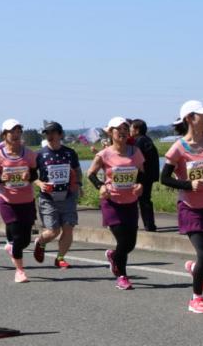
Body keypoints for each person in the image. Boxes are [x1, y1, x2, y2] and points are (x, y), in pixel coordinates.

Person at [161, 100, 203, 313]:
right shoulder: (178, 148)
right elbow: (164, 178)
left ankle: (195, 268)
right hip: (190, 208)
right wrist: (189, 184)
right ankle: (196, 298)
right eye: (201, 115)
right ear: (189, 118)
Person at [88, 116, 145, 290]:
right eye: (118, 130)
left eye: (125, 130)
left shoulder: (135, 152)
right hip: (111, 202)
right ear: (111, 133)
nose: (122, 133)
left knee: (131, 243)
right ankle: (122, 276)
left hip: (130, 202)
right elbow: (91, 173)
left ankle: (114, 257)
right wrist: (100, 186)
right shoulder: (104, 154)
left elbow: (142, 173)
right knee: (123, 241)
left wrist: (140, 184)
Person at [0, 119, 39, 283]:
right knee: (18, 236)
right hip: (7, 200)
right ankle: (20, 271)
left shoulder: (29, 154)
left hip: (27, 200)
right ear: (4, 135)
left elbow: (35, 175)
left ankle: (11, 246)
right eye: (12, 132)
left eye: (19, 131)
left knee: (26, 239)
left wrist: (29, 176)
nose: (16, 135)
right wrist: (0, 178)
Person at [33, 121, 81, 270]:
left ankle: (60, 258)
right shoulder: (40, 154)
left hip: (68, 196)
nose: (50, 136)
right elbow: (32, 175)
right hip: (48, 198)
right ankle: (40, 242)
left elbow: (77, 170)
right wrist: (39, 184)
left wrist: (79, 185)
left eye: (53, 132)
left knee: (68, 228)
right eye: (47, 133)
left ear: (60, 134)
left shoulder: (69, 153)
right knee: (54, 231)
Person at [130, 118, 160, 232]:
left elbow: (137, 160)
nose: (130, 131)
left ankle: (147, 225)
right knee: (146, 200)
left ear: (137, 130)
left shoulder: (138, 142)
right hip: (150, 175)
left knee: (140, 200)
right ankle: (149, 224)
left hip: (141, 176)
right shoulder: (147, 140)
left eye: (131, 128)